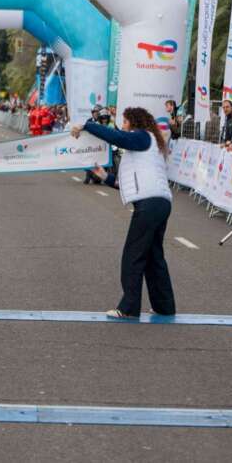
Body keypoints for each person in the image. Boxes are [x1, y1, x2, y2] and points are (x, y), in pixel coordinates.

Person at [71, 107, 175, 319]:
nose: (123, 126)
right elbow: (128, 183)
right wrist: (104, 177)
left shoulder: (141, 137)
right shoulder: (148, 142)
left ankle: (128, 308)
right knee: (154, 257)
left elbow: (116, 136)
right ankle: (164, 306)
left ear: (134, 122)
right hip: (159, 202)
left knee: (133, 257)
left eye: (125, 122)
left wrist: (87, 125)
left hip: (149, 204)